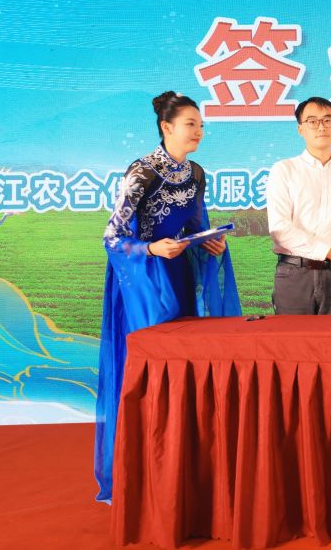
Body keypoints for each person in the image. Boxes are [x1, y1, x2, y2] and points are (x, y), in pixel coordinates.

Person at [95, 91, 240, 503]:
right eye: (191, 124)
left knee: (182, 366)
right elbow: (112, 236)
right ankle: (142, 469)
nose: (199, 132)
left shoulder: (196, 173)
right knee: (149, 370)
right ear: (166, 127)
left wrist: (210, 242)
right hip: (142, 281)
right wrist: (150, 249)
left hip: (178, 275)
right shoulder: (142, 171)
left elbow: (195, 225)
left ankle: (180, 462)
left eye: (201, 125)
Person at [266, 96, 331, 314]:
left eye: (328, 120)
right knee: (291, 336)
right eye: (312, 121)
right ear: (301, 129)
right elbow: (280, 229)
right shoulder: (284, 170)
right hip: (294, 274)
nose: (321, 127)